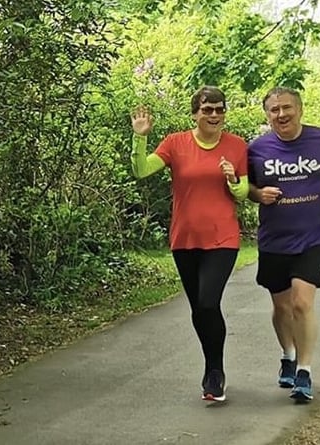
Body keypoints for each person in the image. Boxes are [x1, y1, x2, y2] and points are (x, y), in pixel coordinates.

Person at [129, 86, 248, 402]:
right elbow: (141, 171)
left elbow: (242, 192)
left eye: (219, 109)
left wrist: (232, 180)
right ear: (195, 113)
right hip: (185, 238)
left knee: (209, 302)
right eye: (207, 109)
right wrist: (140, 137)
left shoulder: (236, 146)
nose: (214, 115)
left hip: (222, 237)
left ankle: (215, 371)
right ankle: (212, 370)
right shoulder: (175, 143)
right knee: (199, 308)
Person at [247, 86, 320, 402]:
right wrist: (257, 194)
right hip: (274, 239)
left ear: (300, 109)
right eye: (274, 110)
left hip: (315, 236)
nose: (281, 114)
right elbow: (244, 186)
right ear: (267, 115)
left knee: (301, 303)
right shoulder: (256, 149)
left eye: (287, 108)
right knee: (281, 306)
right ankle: (289, 354)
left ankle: (305, 372)